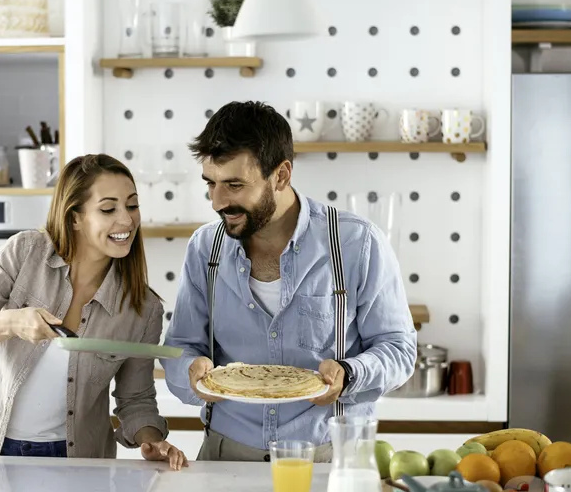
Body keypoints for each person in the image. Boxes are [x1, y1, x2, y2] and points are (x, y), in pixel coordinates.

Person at [161, 101, 417, 462]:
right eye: (211, 184)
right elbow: (181, 346)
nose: (217, 202)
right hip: (226, 455)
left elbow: (399, 349)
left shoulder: (356, 243)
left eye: (234, 185)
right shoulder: (206, 248)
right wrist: (190, 369)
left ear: (281, 175)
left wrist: (349, 372)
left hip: (330, 458)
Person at [0, 154, 187, 470]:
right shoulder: (25, 252)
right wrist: (11, 322)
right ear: (75, 217)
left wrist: (152, 438)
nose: (126, 220)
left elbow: (135, 399)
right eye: (108, 209)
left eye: (132, 206)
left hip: (78, 458)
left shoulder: (143, 309)